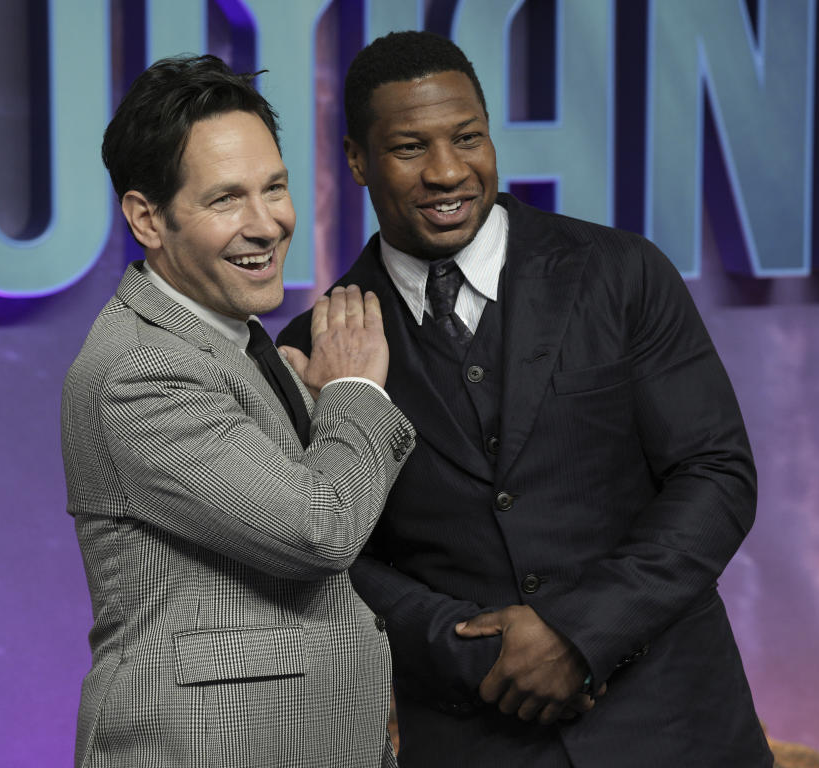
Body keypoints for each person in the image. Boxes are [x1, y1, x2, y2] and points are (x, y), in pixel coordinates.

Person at [278, 31, 773, 767]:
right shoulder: (315, 347)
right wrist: (468, 649)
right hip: (477, 734)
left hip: (678, 730)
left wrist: (578, 632)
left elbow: (716, 475)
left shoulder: (621, 273)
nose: (448, 171)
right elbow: (328, 553)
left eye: (468, 138)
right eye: (411, 148)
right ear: (357, 159)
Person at [61, 54, 414, 768]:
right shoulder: (146, 368)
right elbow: (321, 530)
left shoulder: (235, 340)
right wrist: (354, 393)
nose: (268, 224)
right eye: (226, 199)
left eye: (275, 188)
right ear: (147, 219)